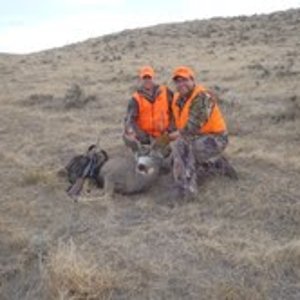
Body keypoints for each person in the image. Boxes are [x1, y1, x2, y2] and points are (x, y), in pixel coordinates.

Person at [169, 66, 237, 197]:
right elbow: (175, 121)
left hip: (216, 139)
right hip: (195, 137)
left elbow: (193, 126)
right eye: (178, 81)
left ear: (192, 80)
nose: (181, 84)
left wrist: (169, 138)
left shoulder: (203, 97)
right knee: (174, 158)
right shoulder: (177, 98)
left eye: (185, 80)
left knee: (181, 149)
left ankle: (187, 191)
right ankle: (216, 165)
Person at [123, 65, 174, 153]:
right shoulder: (136, 99)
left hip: (166, 136)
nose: (147, 80)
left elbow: (175, 112)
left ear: (153, 78)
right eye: (144, 78)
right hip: (146, 139)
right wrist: (143, 137)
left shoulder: (165, 92)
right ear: (140, 80)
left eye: (149, 77)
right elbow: (130, 120)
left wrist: (170, 131)